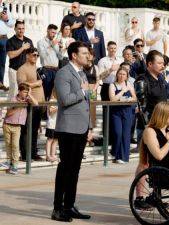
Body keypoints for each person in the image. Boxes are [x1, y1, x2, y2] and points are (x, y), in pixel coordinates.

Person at [52, 41, 92, 222]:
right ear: (74, 55)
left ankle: (69, 205)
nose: (88, 56)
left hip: (81, 128)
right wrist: (83, 92)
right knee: (65, 169)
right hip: (68, 128)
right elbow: (65, 99)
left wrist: (89, 126)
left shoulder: (82, 73)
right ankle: (57, 209)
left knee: (75, 170)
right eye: (84, 53)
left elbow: (86, 103)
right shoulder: (63, 73)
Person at [133, 50, 167, 209]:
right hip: (147, 127)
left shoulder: (161, 79)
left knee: (159, 162)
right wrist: (150, 129)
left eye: (163, 63)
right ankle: (139, 197)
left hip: (162, 126)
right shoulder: (142, 80)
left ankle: (156, 195)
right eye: (159, 63)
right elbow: (143, 106)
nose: (162, 65)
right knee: (145, 163)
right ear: (149, 64)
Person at [17, 47, 45, 161]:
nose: (36, 57)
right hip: (28, 104)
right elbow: (22, 85)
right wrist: (36, 83)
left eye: (37, 55)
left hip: (38, 104)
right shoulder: (22, 69)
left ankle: (33, 153)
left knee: (34, 130)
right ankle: (25, 155)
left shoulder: (35, 68)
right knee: (26, 130)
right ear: (27, 55)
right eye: (34, 55)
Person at [2, 83, 38, 175]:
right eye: (24, 92)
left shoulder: (27, 99)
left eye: (27, 92)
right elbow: (8, 114)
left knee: (15, 145)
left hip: (17, 126)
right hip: (8, 124)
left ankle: (15, 165)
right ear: (19, 91)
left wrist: (30, 95)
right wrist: (19, 106)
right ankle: (9, 161)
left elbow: (36, 103)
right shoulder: (13, 99)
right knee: (8, 144)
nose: (25, 94)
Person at [109, 67, 137, 163]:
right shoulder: (112, 85)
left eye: (124, 74)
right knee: (118, 133)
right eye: (120, 74)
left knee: (126, 134)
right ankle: (115, 153)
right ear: (117, 74)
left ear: (126, 76)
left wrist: (130, 99)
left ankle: (123, 157)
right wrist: (123, 91)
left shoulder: (129, 84)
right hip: (116, 112)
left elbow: (134, 97)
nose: (121, 76)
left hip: (127, 110)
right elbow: (112, 99)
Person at [6, 20, 33, 99]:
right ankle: (10, 110)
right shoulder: (10, 41)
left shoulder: (29, 41)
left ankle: (24, 111)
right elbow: (10, 55)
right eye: (19, 28)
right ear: (15, 29)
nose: (21, 30)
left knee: (26, 93)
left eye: (23, 28)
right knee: (14, 92)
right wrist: (22, 48)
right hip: (14, 70)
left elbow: (33, 55)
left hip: (26, 72)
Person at [37, 24, 61, 100]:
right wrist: (51, 46)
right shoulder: (40, 42)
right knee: (46, 92)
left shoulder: (56, 43)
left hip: (56, 70)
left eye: (55, 33)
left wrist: (61, 48)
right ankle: (44, 111)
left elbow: (60, 57)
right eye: (52, 32)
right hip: (46, 70)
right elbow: (42, 55)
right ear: (47, 30)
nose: (54, 35)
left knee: (56, 93)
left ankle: (52, 111)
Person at [82, 47, 99, 129]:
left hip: (93, 89)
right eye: (87, 54)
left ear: (93, 57)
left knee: (92, 109)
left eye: (90, 54)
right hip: (83, 88)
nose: (88, 56)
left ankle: (91, 129)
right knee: (83, 108)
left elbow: (98, 80)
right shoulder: (81, 66)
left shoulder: (95, 67)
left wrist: (94, 90)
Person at [0, 1, 15, 90]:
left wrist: (6, 19)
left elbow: (12, 24)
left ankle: (1, 83)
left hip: (4, 39)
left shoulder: (5, 8)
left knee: (2, 63)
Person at [46, 89, 58, 163]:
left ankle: (53, 155)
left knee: (56, 140)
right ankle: (48, 155)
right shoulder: (51, 101)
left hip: (58, 124)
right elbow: (51, 112)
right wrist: (58, 108)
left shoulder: (59, 101)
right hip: (51, 123)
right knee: (50, 139)